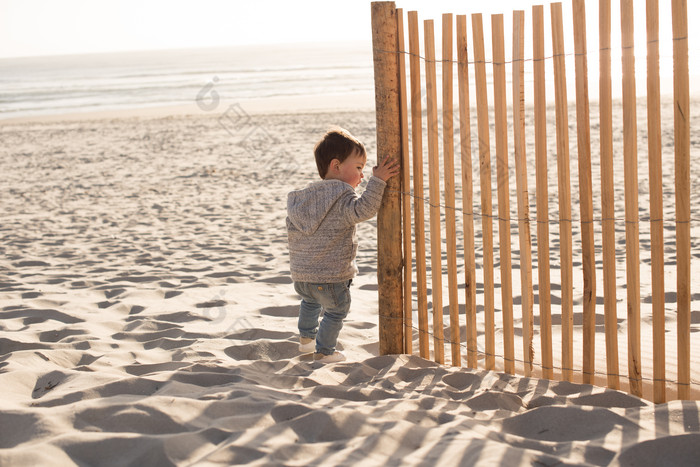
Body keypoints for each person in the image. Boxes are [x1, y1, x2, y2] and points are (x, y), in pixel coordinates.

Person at [286, 127, 399, 363]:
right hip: (331, 277)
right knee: (336, 311)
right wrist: (378, 181)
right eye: (358, 168)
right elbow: (364, 209)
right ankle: (325, 352)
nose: (362, 176)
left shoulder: (303, 199)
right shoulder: (341, 196)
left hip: (302, 276)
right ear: (336, 166)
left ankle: (306, 342)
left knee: (309, 302)